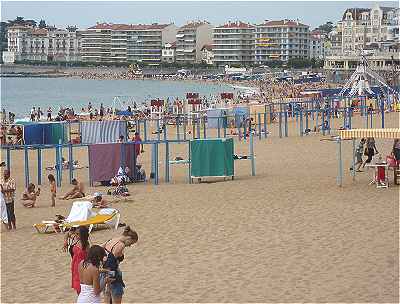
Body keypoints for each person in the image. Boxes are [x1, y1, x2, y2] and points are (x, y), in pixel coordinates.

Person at [102, 226, 138, 304]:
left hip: (104, 273)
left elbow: (101, 248)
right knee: (117, 295)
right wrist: (113, 275)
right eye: (131, 243)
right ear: (128, 238)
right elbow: (111, 262)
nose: (130, 245)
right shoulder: (121, 245)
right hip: (112, 274)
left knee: (107, 296)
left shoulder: (113, 239)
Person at [67, 226, 90, 295]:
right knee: (77, 286)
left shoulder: (86, 245)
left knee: (81, 287)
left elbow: (88, 257)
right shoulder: (76, 240)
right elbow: (67, 234)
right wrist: (65, 241)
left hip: (82, 267)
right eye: (76, 233)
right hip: (75, 266)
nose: (76, 235)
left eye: (77, 234)